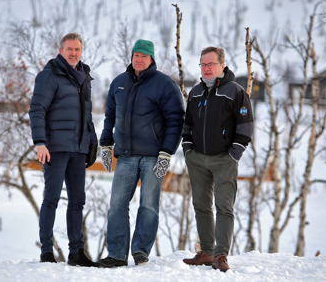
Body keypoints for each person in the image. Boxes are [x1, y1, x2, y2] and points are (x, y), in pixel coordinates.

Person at [97, 39, 185, 267]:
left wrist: (167, 152)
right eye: (136, 54)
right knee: (117, 204)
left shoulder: (165, 85)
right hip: (125, 155)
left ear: (151, 58)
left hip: (153, 156)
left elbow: (176, 120)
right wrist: (106, 144)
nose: (139, 59)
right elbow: (109, 117)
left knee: (148, 204)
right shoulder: (118, 82)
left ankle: (140, 252)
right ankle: (116, 254)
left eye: (144, 56)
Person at [29, 32, 98, 267]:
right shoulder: (49, 76)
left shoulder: (84, 77)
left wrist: (92, 142)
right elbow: (37, 109)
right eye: (69, 49)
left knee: (78, 201)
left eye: (77, 49)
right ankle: (46, 252)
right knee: (51, 199)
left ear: (81, 51)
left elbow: (87, 115)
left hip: (78, 149)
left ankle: (76, 253)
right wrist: (40, 142)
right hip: (55, 149)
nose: (73, 53)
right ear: (60, 51)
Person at [181, 46, 253, 272]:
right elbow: (187, 125)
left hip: (224, 159)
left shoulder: (235, 91)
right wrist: (188, 149)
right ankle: (206, 252)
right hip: (198, 159)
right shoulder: (195, 93)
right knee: (201, 206)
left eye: (211, 64)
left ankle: (221, 255)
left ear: (222, 65)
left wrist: (234, 153)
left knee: (224, 208)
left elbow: (246, 126)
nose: (206, 69)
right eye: (203, 65)